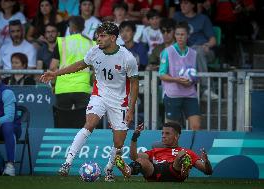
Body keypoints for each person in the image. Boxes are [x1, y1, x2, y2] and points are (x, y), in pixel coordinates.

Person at [40, 22, 139, 181]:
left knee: (119, 142)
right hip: (99, 95)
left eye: (102, 36)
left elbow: (134, 83)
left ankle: (108, 170)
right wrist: (55, 73)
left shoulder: (128, 58)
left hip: (120, 102)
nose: (98, 39)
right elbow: (80, 64)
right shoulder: (94, 51)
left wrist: (131, 109)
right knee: (90, 124)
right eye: (97, 35)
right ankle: (67, 163)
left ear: (113, 38)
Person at [117, 121, 213, 181]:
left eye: (167, 133)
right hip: (154, 172)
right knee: (141, 161)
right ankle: (127, 170)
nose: (163, 136)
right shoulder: (156, 150)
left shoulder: (186, 151)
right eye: (162, 133)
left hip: (174, 172)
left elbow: (207, 171)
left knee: (183, 154)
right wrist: (134, 138)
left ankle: (184, 170)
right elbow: (134, 157)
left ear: (176, 136)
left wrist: (207, 162)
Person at [49, 16, 95, 128]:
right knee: (83, 125)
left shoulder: (61, 42)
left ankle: (62, 145)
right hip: (83, 88)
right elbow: (95, 70)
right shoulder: (92, 44)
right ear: (83, 27)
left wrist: (53, 84)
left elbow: (53, 67)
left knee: (63, 123)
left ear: (70, 27)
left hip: (63, 87)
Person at [159, 21, 201, 130]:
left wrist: (193, 80)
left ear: (187, 35)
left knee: (196, 126)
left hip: (190, 94)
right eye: (177, 34)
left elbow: (196, 74)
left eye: (182, 34)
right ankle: (175, 148)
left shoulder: (194, 53)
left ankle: (192, 147)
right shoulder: (167, 52)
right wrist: (177, 79)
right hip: (173, 94)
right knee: (172, 129)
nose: (180, 37)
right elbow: (162, 74)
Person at [173, 0, 218, 99]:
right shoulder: (177, 17)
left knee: (197, 52)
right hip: (185, 51)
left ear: (193, 4)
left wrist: (207, 45)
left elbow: (213, 40)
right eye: (181, 3)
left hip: (204, 50)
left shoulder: (203, 18)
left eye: (186, 3)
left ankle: (205, 89)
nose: (182, 6)